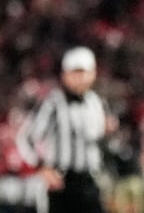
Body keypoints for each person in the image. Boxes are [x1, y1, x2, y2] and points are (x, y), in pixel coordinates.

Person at [15, 46, 116, 213]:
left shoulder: (96, 102)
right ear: (65, 75)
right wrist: (42, 168)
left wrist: (107, 132)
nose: (80, 78)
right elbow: (26, 137)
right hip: (61, 182)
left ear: (93, 74)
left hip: (90, 180)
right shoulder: (53, 103)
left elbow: (96, 139)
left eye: (84, 72)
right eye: (75, 73)